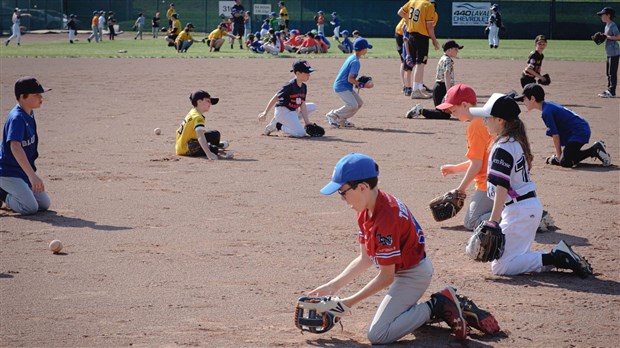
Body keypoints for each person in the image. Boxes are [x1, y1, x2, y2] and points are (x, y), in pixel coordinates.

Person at [310, 152, 498, 344]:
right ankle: (421, 311)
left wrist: (346, 303)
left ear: (362, 187)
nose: (342, 199)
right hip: (404, 270)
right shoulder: (367, 207)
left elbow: (386, 277)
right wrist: (333, 286)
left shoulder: (386, 218)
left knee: (378, 334)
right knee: (393, 321)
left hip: (413, 275)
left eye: (343, 192)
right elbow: (365, 258)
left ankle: (439, 304)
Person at [469, 93, 593, 278]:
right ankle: (556, 257)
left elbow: (502, 186)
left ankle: (556, 257)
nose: (484, 121)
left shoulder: (502, 146)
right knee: (514, 259)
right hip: (525, 209)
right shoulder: (514, 142)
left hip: (519, 211)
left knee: (501, 267)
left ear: (500, 120)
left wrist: (493, 221)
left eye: (488, 117)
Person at [430, 85, 494, 230]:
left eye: (454, 110)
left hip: (489, 184)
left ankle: (519, 214)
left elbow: (477, 165)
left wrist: (461, 190)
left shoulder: (475, 126)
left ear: (465, 105)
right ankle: (516, 209)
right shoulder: (485, 119)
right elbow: (479, 159)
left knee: (471, 222)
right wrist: (455, 168)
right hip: (500, 180)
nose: (452, 114)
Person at [516, 83, 611, 167]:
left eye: (523, 99)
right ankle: (564, 157)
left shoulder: (546, 112)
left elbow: (556, 136)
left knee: (565, 162)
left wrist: (559, 157)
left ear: (532, 99)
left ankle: (594, 150)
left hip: (579, 132)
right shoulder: (548, 106)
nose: (522, 102)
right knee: (567, 158)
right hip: (579, 129)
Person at [0, 77, 52, 214]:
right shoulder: (17, 118)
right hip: (7, 172)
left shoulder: (29, 112)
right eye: (36, 94)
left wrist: (29, 174)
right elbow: (15, 147)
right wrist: (32, 176)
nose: (41, 97)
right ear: (22, 97)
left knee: (44, 204)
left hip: (20, 171)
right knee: (30, 207)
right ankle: (2, 194)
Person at [258, 60, 318, 138]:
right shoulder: (289, 85)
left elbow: (302, 104)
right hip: (283, 112)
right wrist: (265, 113)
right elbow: (276, 97)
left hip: (293, 111)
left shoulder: (304, 87)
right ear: (298, 73)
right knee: (300, 133)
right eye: (306, 72)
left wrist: (307, 122)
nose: (309, 75)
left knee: (313, 106)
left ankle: (287, 121)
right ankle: (278, 125)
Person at [406, 40, 463, 119]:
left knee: (443, 113)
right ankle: (420, 110)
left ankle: (420, 110)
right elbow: (446, 74)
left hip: (438, 87)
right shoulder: (448, 60)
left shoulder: (443, 58)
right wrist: (448, 92)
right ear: (449, 50)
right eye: (456, 49)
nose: (457, 51)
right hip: (442, 88)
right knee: (443, 114)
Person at [325, 38, 373, 129]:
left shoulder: (352, 57)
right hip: (342, 86)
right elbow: (350, 79)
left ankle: (341, 120)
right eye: (366, 48)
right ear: (362, 50)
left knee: (359, 103)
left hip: (346, 86)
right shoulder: (355, 62)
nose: (367, 50)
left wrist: (357, 82)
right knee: (352, 105)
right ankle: (332, 115)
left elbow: (350, 78)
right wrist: (362, 85)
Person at [398, 0, 440, 99]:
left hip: (411, 35)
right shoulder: (428, 5)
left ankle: (419, 89)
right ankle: (416, 90)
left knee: (419, 64)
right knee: (420, 64)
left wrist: (409, 20)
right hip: (421, 37)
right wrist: (434, 40)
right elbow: (429, 26)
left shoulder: (412, 1)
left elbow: (400, 12)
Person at [175, 90, 230, 160]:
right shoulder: (198, 117)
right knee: (211, 148)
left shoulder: (193, 111)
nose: (210, 104)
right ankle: (217, 149)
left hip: (183, 143)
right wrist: (209, 154)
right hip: (186, 149)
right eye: (208, 101)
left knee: (215, 134)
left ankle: (215, 146)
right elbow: (200, 136)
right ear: (199, 102)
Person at [596, 7, 620, 98]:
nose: (601, 16)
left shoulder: (612, 25)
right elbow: (607, 37)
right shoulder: (607, 25)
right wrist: (603, 36)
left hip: (614, 52)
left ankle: (612, 92)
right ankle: (609, 90)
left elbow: (618, 37)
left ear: (608, 15)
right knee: (608, 72)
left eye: (603, 14)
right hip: (609, 52)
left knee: (612, 72)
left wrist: (607, 37)